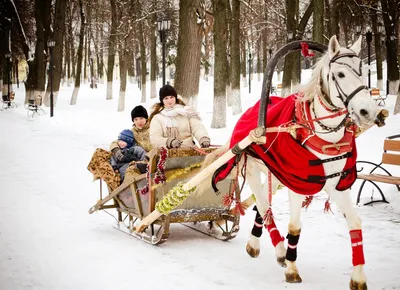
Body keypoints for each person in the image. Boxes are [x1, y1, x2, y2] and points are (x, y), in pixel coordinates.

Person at [149, 84, 210, 149]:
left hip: (189, 149)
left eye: (171, 97)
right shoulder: (157, 118)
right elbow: (155, 138)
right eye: (166, 98)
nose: (169, 101)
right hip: (167, 152)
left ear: (175, 97)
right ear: (162, 100)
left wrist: (203, 138)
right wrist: (169, 142)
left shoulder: (186, 112)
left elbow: (197, 126)